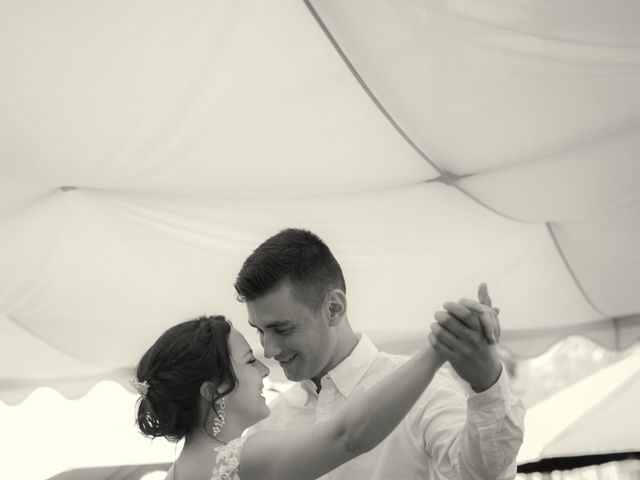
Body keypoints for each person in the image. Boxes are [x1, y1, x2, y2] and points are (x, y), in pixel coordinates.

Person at [234, 228, 525, 480]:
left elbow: (480, 475)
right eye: (259, 331)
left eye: (281, 329)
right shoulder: (268, 423)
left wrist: (486, 382)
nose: (269, 351)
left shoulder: (426, 392)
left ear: (333, 308)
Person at [132, 313, 496, 480]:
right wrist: (436, 352)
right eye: (248, 362)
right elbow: (348, 436)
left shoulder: (176, 473)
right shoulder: (241, 458)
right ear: (214, 391)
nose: (263, 370)